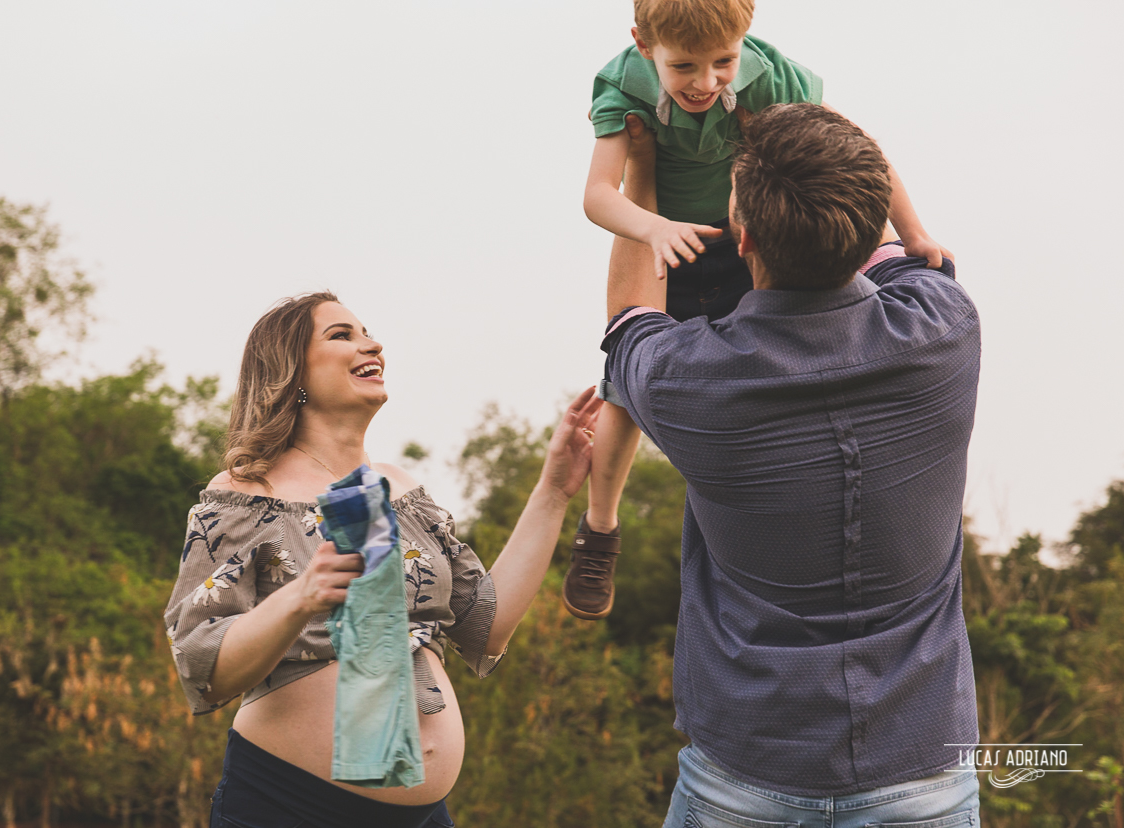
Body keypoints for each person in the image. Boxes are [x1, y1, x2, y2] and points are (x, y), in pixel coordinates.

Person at [602, 105, 981, 824]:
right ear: (867, 228)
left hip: (745, 775)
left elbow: (629, 317)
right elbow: (897, 244)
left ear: (742, 237)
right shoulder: (946, 328)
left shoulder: (688, 380)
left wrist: (643, 175)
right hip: (924, 768)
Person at [564, 0, 952, 621]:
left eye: (723, 61)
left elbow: (857, 158)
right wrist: (653, 228)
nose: (706, 82)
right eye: (683, 67)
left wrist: (913, 233)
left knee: (766, 358)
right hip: (665, 241)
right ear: (644, 44)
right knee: (623, 392)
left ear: (745, 37)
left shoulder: (768, 76)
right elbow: (596, 195)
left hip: (754, 240)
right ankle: (601, 526)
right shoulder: (623, 85)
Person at [164, 292, 602, 828]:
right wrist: (300, 598)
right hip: (290, 806)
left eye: (367, 332)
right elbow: (202, 666)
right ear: (290, 370)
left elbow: (485, 627)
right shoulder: (247, 494)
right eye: (341, 335)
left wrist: (554, 490)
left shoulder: (399, 490)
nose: (372, 344)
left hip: (423, 814)